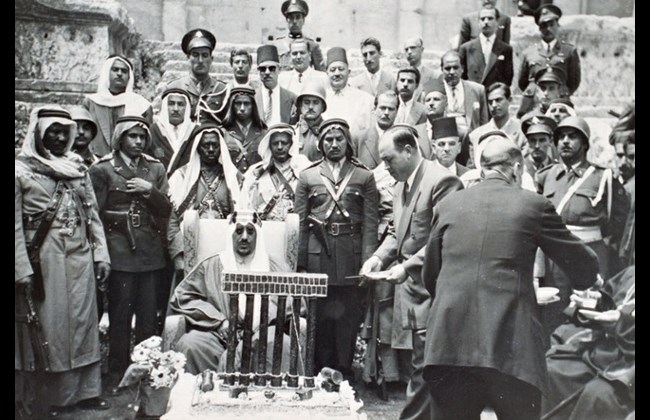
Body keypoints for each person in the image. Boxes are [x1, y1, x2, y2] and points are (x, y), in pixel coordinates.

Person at [420, 135, 599, 419]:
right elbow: (581, 263)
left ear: (482, 170)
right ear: (517, 169)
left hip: (449, 344)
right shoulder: (533, 205)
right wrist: (590, 279)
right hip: (509, 346)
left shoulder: (450, 205)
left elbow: (431, 274)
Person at [361, 124, 464, 420]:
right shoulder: (400, 185)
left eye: (389, 159)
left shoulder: (442, 181)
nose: (385, 166)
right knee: (419, 367)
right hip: (410, 292)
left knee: (425, 369)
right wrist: (378, 259)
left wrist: (406, 267)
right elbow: (397, 231)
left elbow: (442, 238)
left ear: (409, 150)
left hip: (433, 290)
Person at [15, 106, 111, 417]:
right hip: (45, 260)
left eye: (63, 132)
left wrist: (101, 255)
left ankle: (85, 392)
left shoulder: (77, 168)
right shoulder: (21, 171)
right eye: (52, 131)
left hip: (80, 257)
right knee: (51, 329)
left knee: (83, 324)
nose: (58, 138)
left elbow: (92, 216)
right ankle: (51, 397)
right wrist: (22, 269)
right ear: (39, 133)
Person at [294, 118, 379, 381]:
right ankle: (320, 370)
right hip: (318, 256)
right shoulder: (308, 176)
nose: (334, 144)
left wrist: (367, 262)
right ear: (320, 144)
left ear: (348, 142)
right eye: (328, 140)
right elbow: (300, 224)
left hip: (350, 257)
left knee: (348, 318)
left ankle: (343, 372)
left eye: (339, 139)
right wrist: (301, 265)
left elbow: (370, 224)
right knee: (319, 316)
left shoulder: (364, 176)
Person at [89, 115, 172, 382]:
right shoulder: (103, 170)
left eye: (142, 137)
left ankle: (147, 372)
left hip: (149, 251)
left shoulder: (155, 169)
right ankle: (117, 372)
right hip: (119, 250)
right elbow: (95, 215)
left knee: (149, 316)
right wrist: (100, 254)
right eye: (132, 136)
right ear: (120, 138)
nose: (138, 142)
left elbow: (166, 209)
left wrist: (149, 190)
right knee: (120, 315)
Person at [169, 210, 299, 374]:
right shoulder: (211, 265)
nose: (244, 237)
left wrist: (265, 319)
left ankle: (270, 397)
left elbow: (295, 299)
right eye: (238, 231)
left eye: (250, 231)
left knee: (281, 343)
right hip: (220, 338)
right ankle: (206, 397)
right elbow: (183, 296)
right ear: (231, 234)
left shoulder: (277, 268)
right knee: (190, 344)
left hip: (263, 338)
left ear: (257, 235)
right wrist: (219, 320)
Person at [536, 116, 630, 333]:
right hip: (554, 257)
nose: (565, 142)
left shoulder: (603, 177)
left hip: (591, 253)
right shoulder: (548, 176)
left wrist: (602, 250)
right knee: (554, 309)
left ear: (586, 144)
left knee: (589, 310)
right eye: (561, 137)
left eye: (573, 136)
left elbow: (618, 221)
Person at [542, 266, 635, 420]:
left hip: (628, 370)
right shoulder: (631, 273)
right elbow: (612, 303)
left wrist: (620, 323)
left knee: (599, 395)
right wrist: (595, 302)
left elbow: (620, 319)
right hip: (610, 354)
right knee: (553, 371)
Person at [167, 124, 242, 277]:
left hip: (223, 246)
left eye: (215, 145)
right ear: (197, 148)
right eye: (205, 145)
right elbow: (173, 219)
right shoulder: (181, 176)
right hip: (191, 245)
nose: (210, 149)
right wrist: (179, 254)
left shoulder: (233, 176)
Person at [82, 55, 153, 157]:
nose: (119, 74)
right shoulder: (90, 102)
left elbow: (147, 141)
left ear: (129, 76)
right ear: (107, 72)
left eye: (124, 71)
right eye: (115, 70)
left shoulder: (142, 105)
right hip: (95, 160)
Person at [239, 124, 311, 221]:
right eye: (275, 143)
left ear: (291, 144)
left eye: (284, 143)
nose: (280, 147)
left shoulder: (304, 169)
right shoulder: (255, 172)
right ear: (269, 145)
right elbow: (245, 204)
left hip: (295, 228)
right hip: (265, 228)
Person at [165, 29, 229, 124]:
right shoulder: (175, 87)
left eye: (205, 55)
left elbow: (228, 123)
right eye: (195, 55)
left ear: (211, 59)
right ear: (188, 58)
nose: (200, 60)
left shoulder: (221, 90)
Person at [518, 3, 581, 96]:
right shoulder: (529, 52)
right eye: (544, 25)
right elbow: (522, 82)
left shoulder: (569, 51)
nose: (548, 29)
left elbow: (574, 81)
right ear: (539, 28)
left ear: (558, 25)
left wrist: (562, 94)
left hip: (560, 98)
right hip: (534, 100)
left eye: (552, 24)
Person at [468, 82, 526, 168]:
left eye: (498, 100)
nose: (494, 105)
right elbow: (473, 167)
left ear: (509, 100)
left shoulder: (522, 132)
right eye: (490, 102)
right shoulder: (476, 135)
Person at [440, 50, 489, 148]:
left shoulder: (477, 89)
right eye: (448, 68)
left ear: (462, 68)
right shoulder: (435, 90)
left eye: (456, 67)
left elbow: (484, 122)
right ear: (442, 69)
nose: (452, 72)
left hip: (471, 144)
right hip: (445, 144)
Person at [458, 4, 514, 89]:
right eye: (482, 19)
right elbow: (462, 76)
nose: (486, 22)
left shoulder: (506, 49)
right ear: (478, 23)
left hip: (494, 96)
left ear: (497, 22)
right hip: (473, 94)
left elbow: (507, 78)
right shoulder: (466, 48)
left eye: (490, 18)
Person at [322, 47, 374, 129]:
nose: (337, 73)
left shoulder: (365, 99)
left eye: (341, 69)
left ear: (348, 72)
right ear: (327, 73)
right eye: (332, 70)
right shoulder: (321, 99)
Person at [147, 88, 196, 172]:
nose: (176, 109)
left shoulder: (196, 132)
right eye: (171, 104)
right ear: (164, 107)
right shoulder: (151, 131)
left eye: (180, 104)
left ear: (187, 108)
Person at [222, 86, 269, 173]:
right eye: (238, 103)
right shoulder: (223, 132)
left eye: (246, 104)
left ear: (253, 106)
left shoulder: (264, 133)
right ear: (232, 106)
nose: (242, 108)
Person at [352, 91, 403, 169]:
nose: (386, 112)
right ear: (374, 109)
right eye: (382, 108)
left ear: (397, 112)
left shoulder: (403, 138)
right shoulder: (358, 138)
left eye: (391, 109)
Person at [272, 0, 325, 72]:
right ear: (286, 20)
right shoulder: (277, 45)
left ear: (303, 20)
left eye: (298, 17)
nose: (294, 21)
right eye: (291, 17)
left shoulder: (312, 45)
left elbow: (321, 72)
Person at [254, 44, 298, 126]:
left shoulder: (292, 98)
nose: (267, 72)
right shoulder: (252, 97)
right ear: (258, 71)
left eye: (272, 68)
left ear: (279, 70)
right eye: (263, 69)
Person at [293, 81, 327, 162]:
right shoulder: (293, 133)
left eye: (316, 102)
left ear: (322, 106)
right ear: (300, 105)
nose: (311, 107)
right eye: (306, 102)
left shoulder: (328, 132)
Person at [520, 112, 557, 182]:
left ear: (550, 141)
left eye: (542, 140)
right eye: (533, 140)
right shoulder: (520, 168)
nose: (537, 146)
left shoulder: (556, 169)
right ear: (527, 141)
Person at [414, 82, 447, 159]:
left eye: (436, 99)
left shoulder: (458, 131)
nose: (431, 103)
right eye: (428, 100)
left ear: (446, 103)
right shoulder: (414, 132)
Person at [402, 37, 438, 103]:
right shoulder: (401, 76)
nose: (409, 52)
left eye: (413, 48)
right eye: (406, 49)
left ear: (421, 50)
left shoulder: (433, 76)